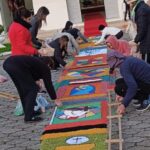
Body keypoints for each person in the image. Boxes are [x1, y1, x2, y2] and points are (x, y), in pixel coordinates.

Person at [3, 55, 61, 123]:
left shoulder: (36, 61)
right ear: (48, 64)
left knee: (23, 90)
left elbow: (30, 75)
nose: (49, 69)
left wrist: (37, 81)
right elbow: (49, 84)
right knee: (32, 89)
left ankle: (29, 112)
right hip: (15, 65)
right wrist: (55, 99)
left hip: (7, 63)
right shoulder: (44, 67)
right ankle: (29, 118)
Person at [107, 50, 150, 114]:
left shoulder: (124, 67)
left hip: (148, 83)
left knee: (120, 88)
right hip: (145, 81)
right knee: (118, 82)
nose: (115, 67)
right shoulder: (126, 60)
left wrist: (123, 104)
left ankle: (145, 99)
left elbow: (133, 87)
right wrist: (122, 95)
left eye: (114, 66)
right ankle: (143, 96)